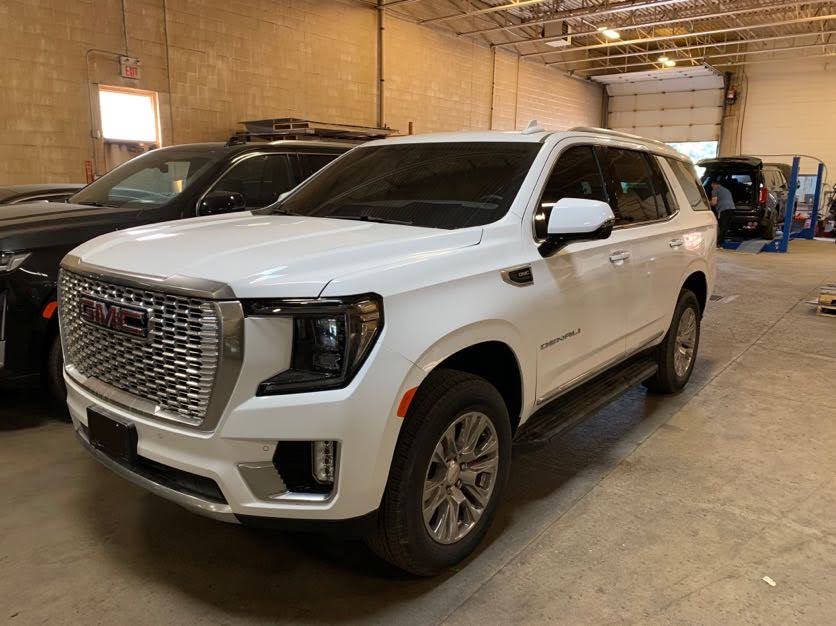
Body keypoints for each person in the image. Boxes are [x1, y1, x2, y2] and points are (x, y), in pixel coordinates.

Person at [710, 181, 735, 248]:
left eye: (712, 186)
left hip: (723, 210)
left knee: (721, 226)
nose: (712, 188)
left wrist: (706, 203)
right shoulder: (726, 190)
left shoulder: (715, 190)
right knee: (726, 227)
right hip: (732, 209)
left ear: (714, 185)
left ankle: (718, 243)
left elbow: (714, 203)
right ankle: (721, 242)